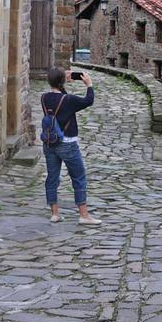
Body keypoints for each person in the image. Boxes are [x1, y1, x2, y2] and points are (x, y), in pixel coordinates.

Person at [41, 67, 101, 226]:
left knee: (52, 177)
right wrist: (89, 84)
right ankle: (84, 215)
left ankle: (54, 213)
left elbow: (60, 101)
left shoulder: (44, 98)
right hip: (68, 144)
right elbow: (88, 100)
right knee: (79, 177)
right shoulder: (69, 100)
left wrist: (61, 82)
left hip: (50, 143)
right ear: (62, 82)